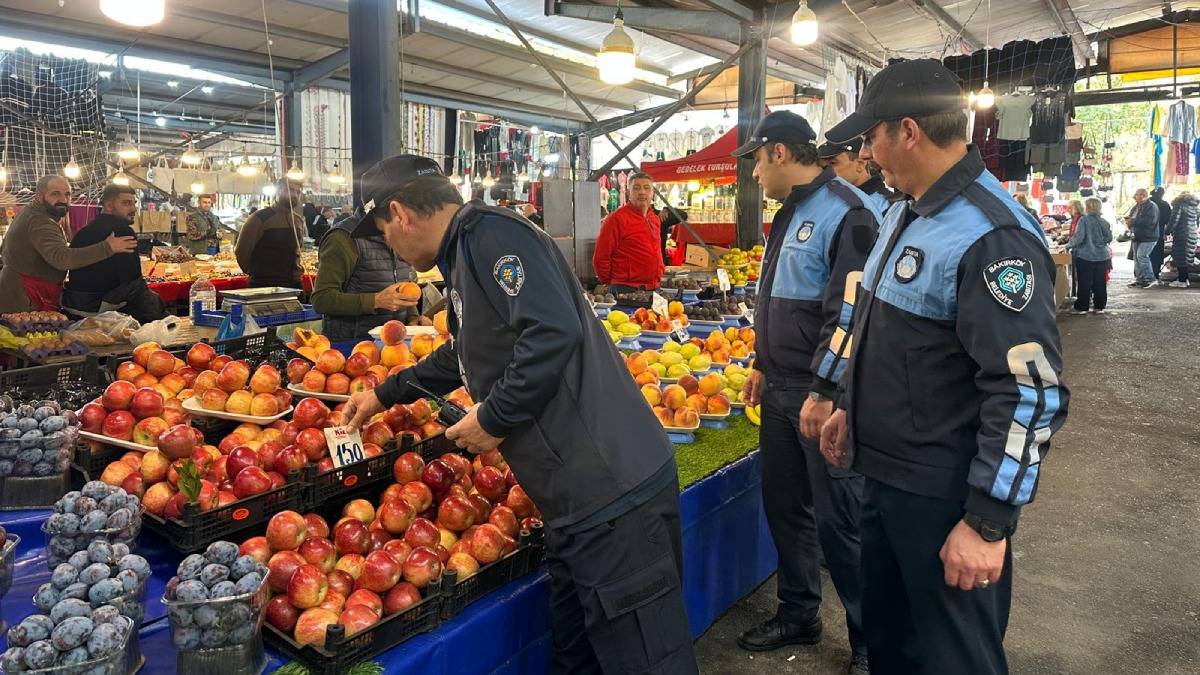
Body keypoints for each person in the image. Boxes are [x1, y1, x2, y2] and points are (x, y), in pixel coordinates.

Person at [341, 155, 697, 674]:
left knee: (645, 660)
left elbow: (552, 332)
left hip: (612, 493)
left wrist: (494, 418)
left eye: (383, 234)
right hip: (574, 501)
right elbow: (466, 353)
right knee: (579, 655)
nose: (390, 247)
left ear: (399, 212)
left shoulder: (492, 237)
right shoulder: (465, 253)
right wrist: (385, 392)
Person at [820, 59, 1070, 675]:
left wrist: (987, 521)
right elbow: (883, 331)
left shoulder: (991, 237)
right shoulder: (906, 213)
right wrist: (850, 407)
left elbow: (1029, 393)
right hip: (883, 482)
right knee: (894, 649)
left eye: (870, 137)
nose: (868, 154)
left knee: (954, 660)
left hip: (944, 499)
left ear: (907, 132)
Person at [731, 110, 880, 675]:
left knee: (839, 522)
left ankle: (870, 638)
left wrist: (824, 387)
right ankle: (799, 613)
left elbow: (850, 312)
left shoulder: (848, 212)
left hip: (825, 396)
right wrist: (763, 364)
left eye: (755, 162)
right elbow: (777, 296)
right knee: (786, 508)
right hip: (782, 389)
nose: (753, 176)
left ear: (778, 153)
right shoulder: (788, 212)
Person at [0, 176, 136, 312]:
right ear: (40, 197)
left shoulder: (32, 213)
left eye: (67, 194)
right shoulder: (39, 221)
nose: (64, 200)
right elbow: (61, 258)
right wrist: (107, 248)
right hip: (23, 297)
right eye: (55, 194)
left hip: (20, 290)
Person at [310, 202, 420, 341]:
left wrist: (413, 320)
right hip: (352, 346)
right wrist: (375, 301)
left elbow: (403, 285)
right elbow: (321, 299)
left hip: (396, 346)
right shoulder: (342, 238)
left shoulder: (401, 233)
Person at [62, 185, 166, 322]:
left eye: (134, 203)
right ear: (109, 206)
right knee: (149, 299)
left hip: (74, 302)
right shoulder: (122, 232)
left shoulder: (86, 230)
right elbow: (132, 280)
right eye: (126, 203)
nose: (133, 209)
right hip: (98, 306)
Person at [592, 172, 665, 292]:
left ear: (652, 193)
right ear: (628, 193)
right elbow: (601, 257)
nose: (642, 192)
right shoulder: (616, 219)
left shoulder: (654, 219)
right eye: (636, 188)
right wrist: (611, 283)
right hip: (625, 289)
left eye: (647, 188)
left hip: (653, 287)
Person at [235, 179, 307, 288]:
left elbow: (298, 250)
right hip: (264, 285)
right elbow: (242, 251)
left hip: (293, 284)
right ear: (278, 191)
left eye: (298, 192)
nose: (294, 195)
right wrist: (258, 274)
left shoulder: (297, 220)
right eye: (290, 190)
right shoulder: (259, 218)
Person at [817, 137, 896, 212]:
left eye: (833, 163)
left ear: (860, 164)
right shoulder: (828, 201)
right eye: (823, 166)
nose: (826, 171)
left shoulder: (886, 205)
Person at [1067, 197, 1113, 314]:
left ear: (1087, 207)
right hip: (1102, 256)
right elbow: (1109, 238)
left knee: (1084, 282)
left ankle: (1082, 307)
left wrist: (1067, 246)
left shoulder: (1083, 220)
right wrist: (1100, 242)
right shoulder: (1104, 222)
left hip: (1085, 256)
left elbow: (1079, 238)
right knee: (1100, 282)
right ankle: (1099, 307)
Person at [1126, 188, 1159, 287]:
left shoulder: (1151, 206)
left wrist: (1133, 221)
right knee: (1136, 257)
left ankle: (1150, 278)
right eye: (1135, 195)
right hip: (1137, 235)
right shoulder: (1136, 206)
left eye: (1137, 195)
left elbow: (1150, 221)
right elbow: (1132, 217)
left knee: (1142, 256)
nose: (1135, 197)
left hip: (1148, 236)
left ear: (1143, 195)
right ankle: (1140, 279)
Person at [1167, 191, 1197, 287]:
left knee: (1180, 257)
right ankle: (1184, 278)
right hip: (1192, 234)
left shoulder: (1179, 204)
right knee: (1186, 258)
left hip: (1182, 233)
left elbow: (1174, 219)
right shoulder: (1195, 207)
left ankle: (1182, 280)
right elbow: (1197, 222)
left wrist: (1167, 231)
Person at [1149, 186, 1171, 280]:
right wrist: (1167, 232)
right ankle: (1156, 273)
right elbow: (1168, 220)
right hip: (1159, 231)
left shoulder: (1146, 203)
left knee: (1145, 254)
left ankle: (1144, 273)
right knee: (1157, 253)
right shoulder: (1165, 204)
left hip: (1146, 232)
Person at [1066, 199, 1085, 297]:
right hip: (1077, 248)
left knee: (1081, 275)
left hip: (1081, 250)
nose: (1068, 209)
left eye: (1070, 207)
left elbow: (1078, 236)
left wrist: (1068, 245)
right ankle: (1077, 294)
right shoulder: (1075, 218)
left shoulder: (1080, 219)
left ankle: (1081, 296)